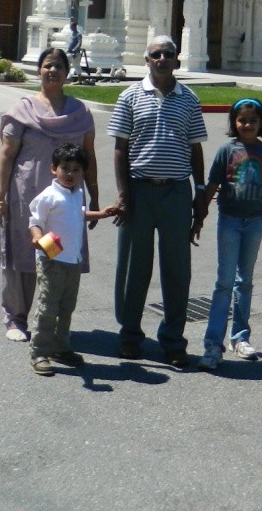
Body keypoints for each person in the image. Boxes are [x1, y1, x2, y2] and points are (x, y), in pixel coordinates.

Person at [109, 34, 207, 369]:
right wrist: (123, 195)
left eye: (168, 54)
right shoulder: (129, 97)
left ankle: (174, 342)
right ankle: (130, 336)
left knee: (177, 269)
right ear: (146, 61)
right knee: (134, 266)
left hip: (177, 192)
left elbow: (196, 149)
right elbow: (120, 150)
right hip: (139, 190)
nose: (162, 59)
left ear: (176, 60)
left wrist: (202, 194)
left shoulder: (189, 99)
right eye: (155, 55)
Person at [0, 47, 99, 341]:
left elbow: (89, 156)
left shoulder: (80, 114)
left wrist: (96, 196)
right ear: (39, 70)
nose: (52, 71)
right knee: (23, 255)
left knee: (60, 257)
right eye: (47, 65)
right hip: (26, 196)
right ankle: (15, 318)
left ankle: (50, 321)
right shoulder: (22, 111)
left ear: (67, 73)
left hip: (67, 201)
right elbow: (6, 155)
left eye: (58, 67)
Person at [193, 98, 262, 370]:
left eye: (253, 120)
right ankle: (213, 344)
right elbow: (212, 184)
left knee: (246, 281)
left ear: (261, 123)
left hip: (255, 221)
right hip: (229, 220)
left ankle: (240, 338)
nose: (247, 125)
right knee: (224, 281)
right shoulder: (226, 150)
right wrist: (199, 217)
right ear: (234, 123)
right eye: (242, 120)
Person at [26, 143, 117, 375]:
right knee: (48, 306)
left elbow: (79, 215)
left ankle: (60, 347)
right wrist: (38, 239)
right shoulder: (48, 196)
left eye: (76, 169)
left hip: (72, 261)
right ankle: (39, 352)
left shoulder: (76, 194)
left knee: (66, 307)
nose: (70, 174)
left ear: (83, 173)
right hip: (51, 259)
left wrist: (102, 213)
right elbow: (34, 222)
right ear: (53, 169)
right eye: (65, 168)